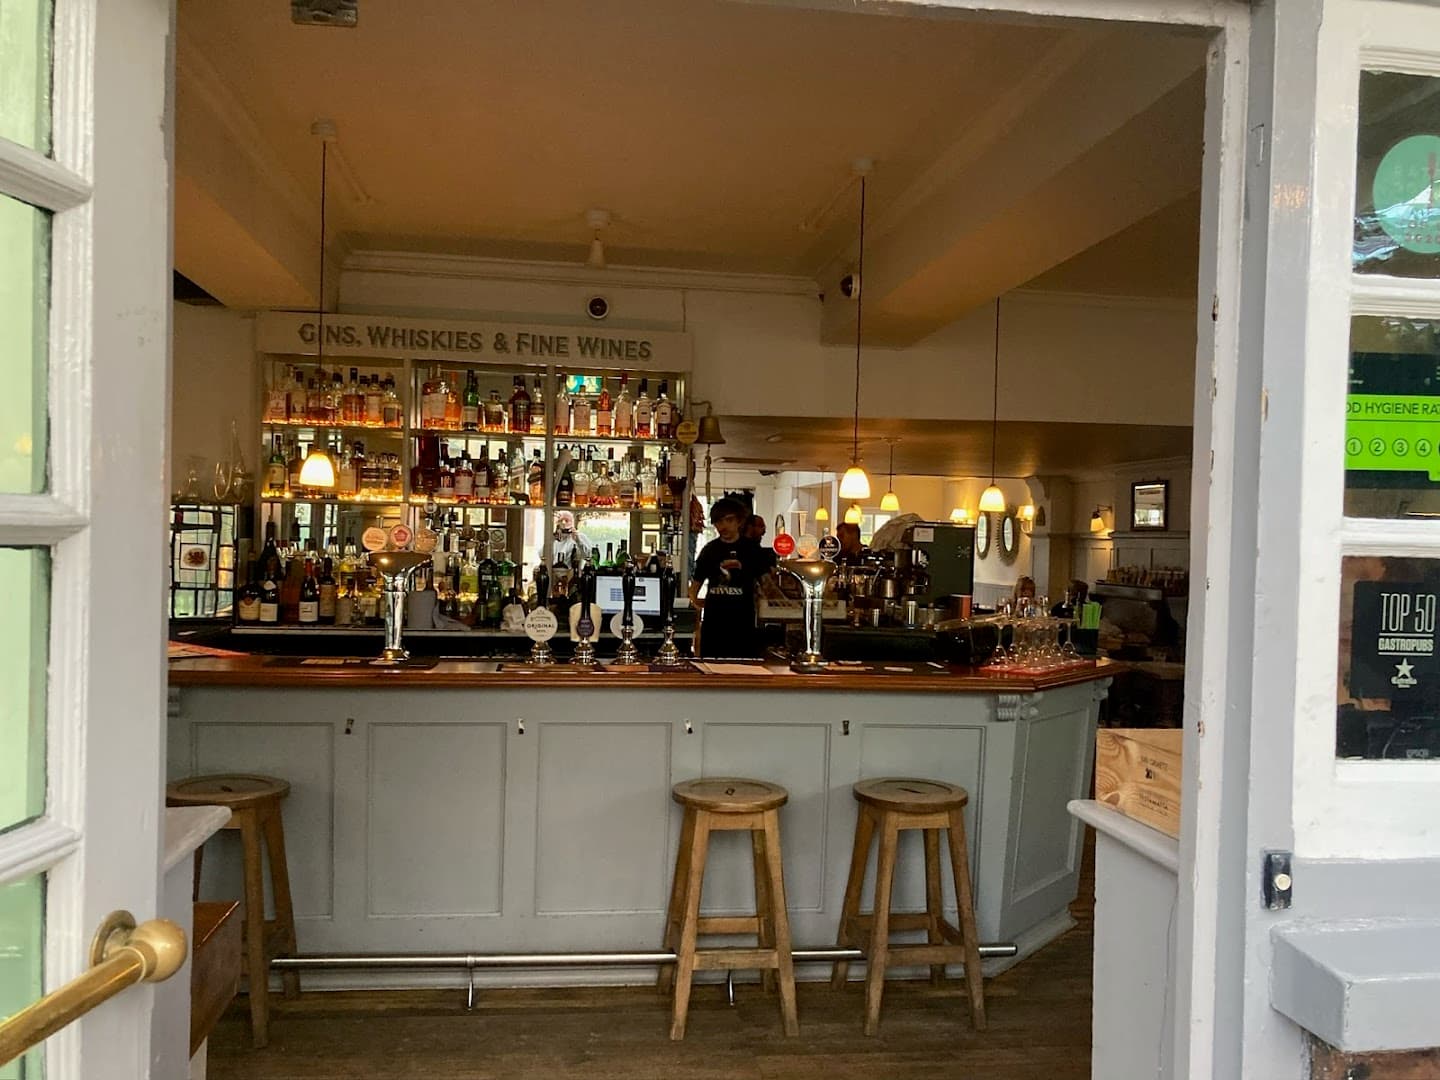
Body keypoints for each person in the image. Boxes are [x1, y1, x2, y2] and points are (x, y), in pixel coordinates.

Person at [690, 496, 771, 658]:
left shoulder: (752, 551)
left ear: (739, 521)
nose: (723, 526)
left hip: (743, 626)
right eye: (719, 522)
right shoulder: (709, 550)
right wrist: (696, 605)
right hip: (714, 626)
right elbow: (694, 588)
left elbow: (767, 585)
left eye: (729, 520)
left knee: (743, 675)